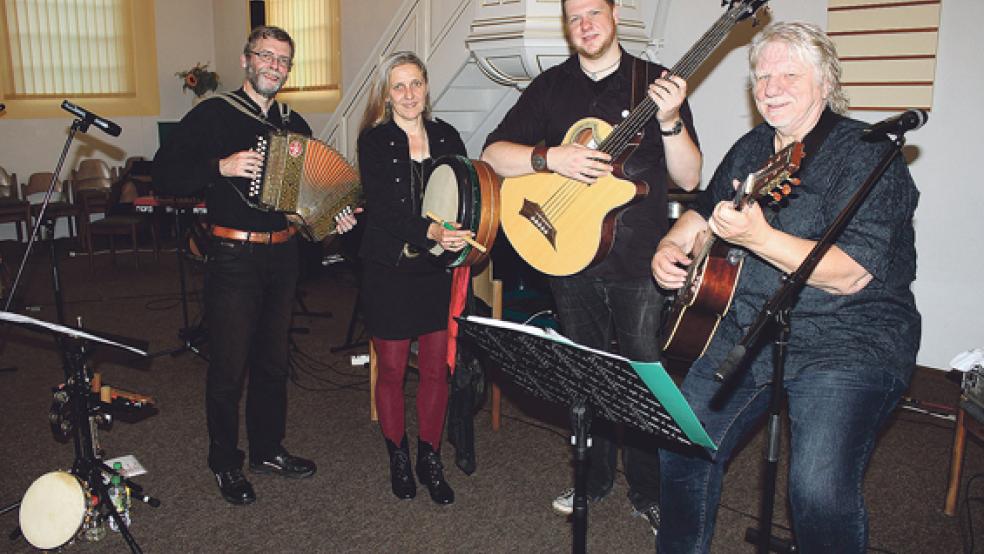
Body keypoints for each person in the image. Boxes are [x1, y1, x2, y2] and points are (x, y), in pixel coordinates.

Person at [651, 21, 921, 553]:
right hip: (751, 326)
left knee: (817, 488)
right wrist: (671, 245)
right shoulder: (752, 147)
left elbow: (849, 274)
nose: (771, 88)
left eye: (789, 75)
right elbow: (704, 213)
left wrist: (761, 236)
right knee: (680, 442)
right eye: (762, 77)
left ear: (826, 84)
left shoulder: (870, 156)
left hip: (849, 339)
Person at [481, 0, 702, 531]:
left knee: (643, 374)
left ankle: (648, 488)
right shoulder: (551, 87)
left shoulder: (656, 83)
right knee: (585, 371)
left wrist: (669, 121)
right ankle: (593, 477)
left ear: (616, 16)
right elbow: (492, 154)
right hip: (567, 254)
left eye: (594, 14)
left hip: (639, 262)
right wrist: (551, 158)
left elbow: (691, 179)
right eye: (575, 17)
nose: (585, 25)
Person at [153, 25, 357, 505]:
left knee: (272, 362)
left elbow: (309, 208)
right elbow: (163, 173)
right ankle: (225, 462)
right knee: (229, 365)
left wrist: (333, 219)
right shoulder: (213, 115)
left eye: (283, 60)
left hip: (283, 255)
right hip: (234, 257)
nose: (274, 66)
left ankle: (267, 450)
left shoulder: (295, 125)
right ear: (246, 60)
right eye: (266, 56)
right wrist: (218, 167)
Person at [357, 51, 474, 505]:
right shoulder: (374, 140)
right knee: (389, 371)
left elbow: (467, 191)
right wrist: (431, 231)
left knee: (434, 373)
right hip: (390, 269)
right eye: (399, 86)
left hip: (435, 271)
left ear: (427, 87)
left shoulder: (447, 135)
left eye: (415, 84)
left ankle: (429, 456)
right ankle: (398, 455)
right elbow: (383, 210)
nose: (408, 94)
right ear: (388, 95)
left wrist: (463, 230)